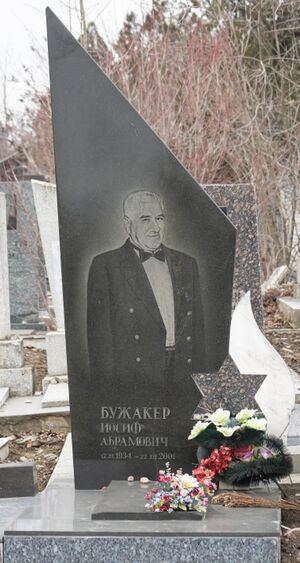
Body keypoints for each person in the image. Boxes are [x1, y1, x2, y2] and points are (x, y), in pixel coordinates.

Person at [87, 191, 205, 393]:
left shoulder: (186, 263)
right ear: (127, 224)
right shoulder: (105, 266)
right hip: (135, 378)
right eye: (145, 220)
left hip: (183, 372)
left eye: (159, 218)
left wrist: (202, 380)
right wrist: (106, 391)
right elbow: (100, 341)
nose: (155, 227)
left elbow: (198, 331)